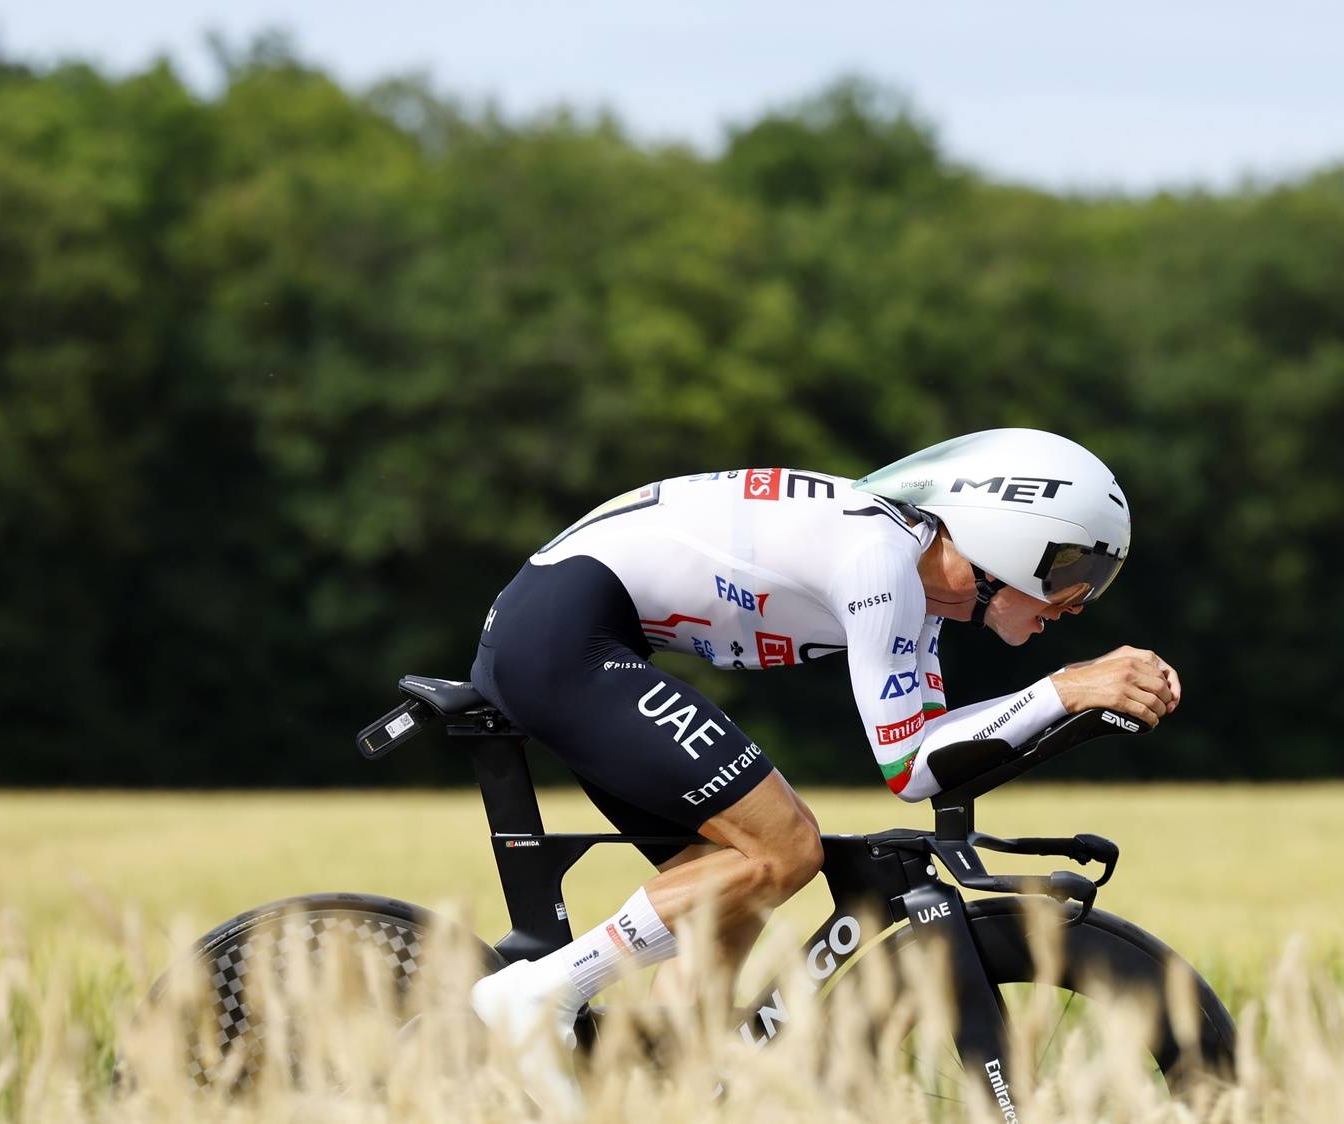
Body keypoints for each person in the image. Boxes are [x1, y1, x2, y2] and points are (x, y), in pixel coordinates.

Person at [467, 428, 1181, 1057]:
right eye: (1072, 573)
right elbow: (910, 766)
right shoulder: (882, 562)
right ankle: (538, 996)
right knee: (785, 849)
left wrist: (1068, 702)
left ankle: (665, 1080)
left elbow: (937, 756)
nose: (1077, 602)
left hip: (569, 628)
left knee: (727, 881)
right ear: (1007, 538)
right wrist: (1067, 688)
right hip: (563, 637)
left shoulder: (918, 586)